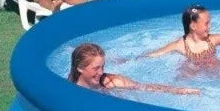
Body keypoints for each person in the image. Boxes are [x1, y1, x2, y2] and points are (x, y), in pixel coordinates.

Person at [69, 43, 200, 94]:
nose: (101, 72)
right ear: (80, 68)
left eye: (102, 67)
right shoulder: (69, 87)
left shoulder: (112, 82)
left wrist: (178, 90)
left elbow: (145, 87)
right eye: (95, 68)